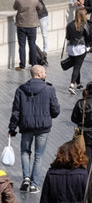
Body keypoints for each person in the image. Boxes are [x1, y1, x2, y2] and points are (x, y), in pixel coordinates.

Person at [8, 65, 60, 193]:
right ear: (40, 73)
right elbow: (56, 111)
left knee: (25, 152)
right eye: (45, 72)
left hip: (26, 126)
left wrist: (12, 128)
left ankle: (26, 177)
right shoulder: (49, 89)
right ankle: (34, 184)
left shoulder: (20, 89)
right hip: (43, 127)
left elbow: (16, 111)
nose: (46, 74)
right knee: (39, 155)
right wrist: (49, 115)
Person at [12, 0, 43, 71]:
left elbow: (14, 8)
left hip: (21, 26)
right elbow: (41, 8)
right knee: (32, 45)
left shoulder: (18, 0)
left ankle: (22, 66)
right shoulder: (35, 0)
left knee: (22, 46)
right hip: (32, 26)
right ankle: (34, 64)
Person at [64, 8, 90, 94]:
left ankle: (78, 84)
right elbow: (88, 36)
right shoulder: (84, 24)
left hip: (71, 48)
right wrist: (89, 46)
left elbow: (67, 37)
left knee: (76, 66)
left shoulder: (69, 25)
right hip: (81, 48)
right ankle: (72, 85)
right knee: (77, 67)